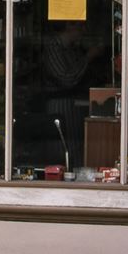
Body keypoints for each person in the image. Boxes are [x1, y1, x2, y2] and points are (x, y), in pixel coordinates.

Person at [42, 21, 104, 170]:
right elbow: (67, 79)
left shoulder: (72, 48)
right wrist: (88, 57)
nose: (83, 31)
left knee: (74, 144)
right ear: (68, 26)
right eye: (80, 27)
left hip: (73, 103)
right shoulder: (54, 47)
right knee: (62, 145)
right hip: (59, 103)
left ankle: (72, 172)